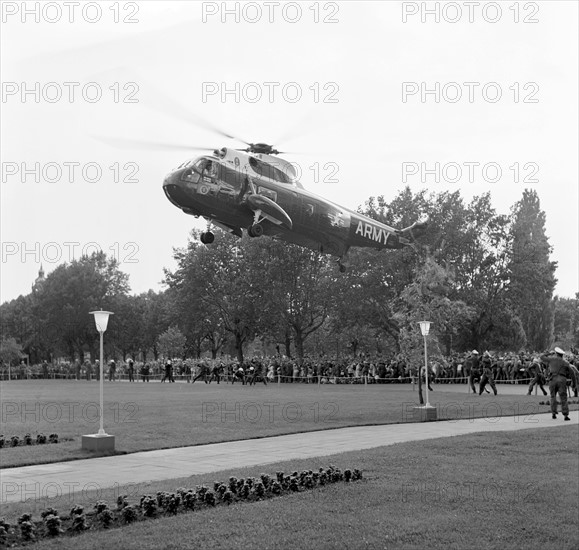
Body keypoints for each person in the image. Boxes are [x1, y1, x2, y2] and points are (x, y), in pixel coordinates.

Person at [540, 347, 576, 421]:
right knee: (563, 398)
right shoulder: (565, 362)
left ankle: (553, 413)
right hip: (562, 380)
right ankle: (565, 415)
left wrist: (549, 353)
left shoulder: (551, 359)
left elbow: (541, 357)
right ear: (562, 355)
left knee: (553, 397)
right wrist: (574, 383)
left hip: (552, 379)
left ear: (556, 353)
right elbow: (572, 373)